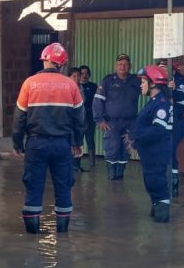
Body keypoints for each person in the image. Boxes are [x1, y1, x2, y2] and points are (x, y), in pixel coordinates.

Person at [12, 43, 86, 234]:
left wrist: (17, 143)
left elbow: (19, 117)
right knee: (63, 187)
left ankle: (32, 238)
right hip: (62, 145)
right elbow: (79, 119)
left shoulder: (29, 83)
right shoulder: (71, 85)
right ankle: (62, 235)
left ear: (45, 59)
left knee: (33, 187)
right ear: (61, 64)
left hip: (36, 144)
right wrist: (78, 143)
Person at [131, 64, 173, 223]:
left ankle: (162, 211)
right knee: (151, 181)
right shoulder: (154, 101)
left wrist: (136, 136)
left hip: (157, 151)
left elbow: (158, 130)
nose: (141, 85)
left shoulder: (160, 103)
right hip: (150, 152)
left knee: (156, 181)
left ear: (153, 83)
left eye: (143, 81)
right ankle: (158, 207)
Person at [93, 54, 141, 180]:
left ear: (130, 66)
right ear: (116, 66)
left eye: (125, 64)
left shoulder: (136, 80)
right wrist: (100, 119)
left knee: (126, 148)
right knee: (112, 148)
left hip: (130, 122)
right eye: (120, 64)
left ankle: (120, 174)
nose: (122, 67)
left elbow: (150, 90)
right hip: (111, 122)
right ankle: (112, 175)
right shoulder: (107, 81)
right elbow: (98, 100)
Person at [164, 59, 184, 196]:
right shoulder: (161, 83)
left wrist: (172, 90)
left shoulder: (180, 82)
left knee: (170, 151)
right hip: (165, 124)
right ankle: (169, 184)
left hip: (177, 123)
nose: (163, 71)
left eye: (165, 68)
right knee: (167, 152)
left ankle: (174, 185)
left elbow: (181, 98)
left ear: (173, 70)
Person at [78, 65, 98, 172]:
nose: (84, 76)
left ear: (89, 75)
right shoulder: (75, 86)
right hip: (79, 117)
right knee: (79, 140)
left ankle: (92, 164)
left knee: (90, 139)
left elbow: (98, 102)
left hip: (90, 116)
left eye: (86, 73)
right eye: (82, 73)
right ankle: (77, 164)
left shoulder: (94, 86)